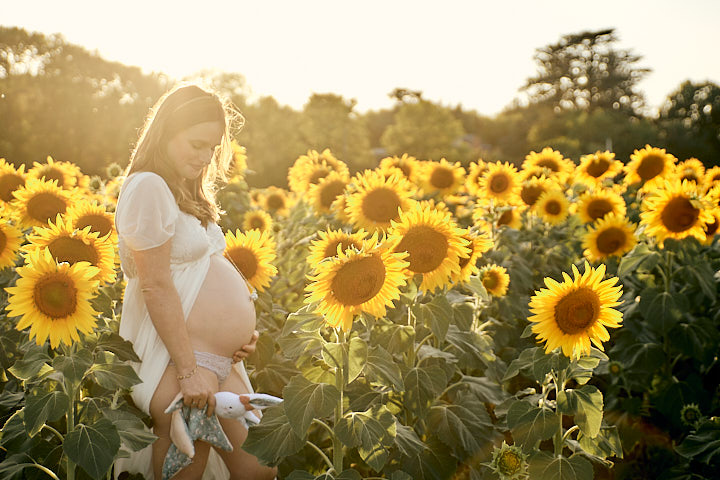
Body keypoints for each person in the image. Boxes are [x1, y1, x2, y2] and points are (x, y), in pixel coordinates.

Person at [113, 84, 277, 479]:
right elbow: (154, 284)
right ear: (166, 131)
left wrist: (239, 331)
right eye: (197, 144)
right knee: (188, 469)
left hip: (217, 357)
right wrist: (188, 370)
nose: (205, 158)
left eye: (213, 148)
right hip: (178, 357)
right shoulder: (149, 186)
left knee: (259, 469)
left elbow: (204, 267)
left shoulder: (183, 189)